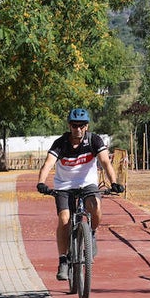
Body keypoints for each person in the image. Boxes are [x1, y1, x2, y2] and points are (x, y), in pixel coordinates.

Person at [36, 108, 124, 281]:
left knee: (96, 207)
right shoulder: (60, 143)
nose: (78, 129)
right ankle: (63, 260)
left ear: (87, 126)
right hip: (64, 186)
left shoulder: (94, 140)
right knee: (64, 219)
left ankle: (91, 233)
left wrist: (114, 182)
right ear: (69, 126)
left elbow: (105, 162)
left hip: (87, 184)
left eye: (81, 125)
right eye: (74, 125)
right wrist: (41, 182)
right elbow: (48, 164)